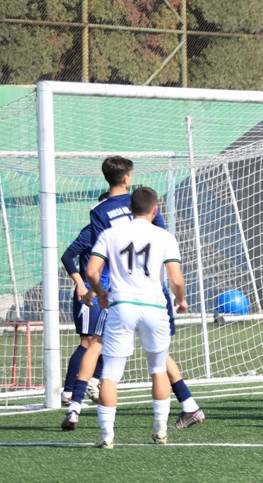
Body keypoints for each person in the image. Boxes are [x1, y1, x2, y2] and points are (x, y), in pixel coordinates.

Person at [62, 156, 203, 432]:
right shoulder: (145, 203)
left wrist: (94, 290)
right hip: (154, 292)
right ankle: (184, 408)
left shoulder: (100, 211)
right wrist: (179, 296)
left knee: (97, 345)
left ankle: (76, 405)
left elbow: (101, 255)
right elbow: (159, 240)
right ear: (127, 177)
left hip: (119, 291)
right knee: (158, 356)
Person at [86, 187, 187, 448]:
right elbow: (176, 279)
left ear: (130, 209)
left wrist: (100, 292)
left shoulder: (111, 233)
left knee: (110, 373)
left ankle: (107, 436)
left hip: (122, 306)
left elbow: (92, 270)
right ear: (155, 210)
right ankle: (160, 430)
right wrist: (181, 299)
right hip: (154, 306)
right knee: (158, 369)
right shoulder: (164, 236)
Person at [59, 192, 109, 407]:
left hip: (109, 294)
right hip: (90, 294)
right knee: (88, 341)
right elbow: (67, 256)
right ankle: (69, 392)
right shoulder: (91, 232)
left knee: (109, 341)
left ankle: (93, 381)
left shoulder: (116, 234)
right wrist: (80, 283)